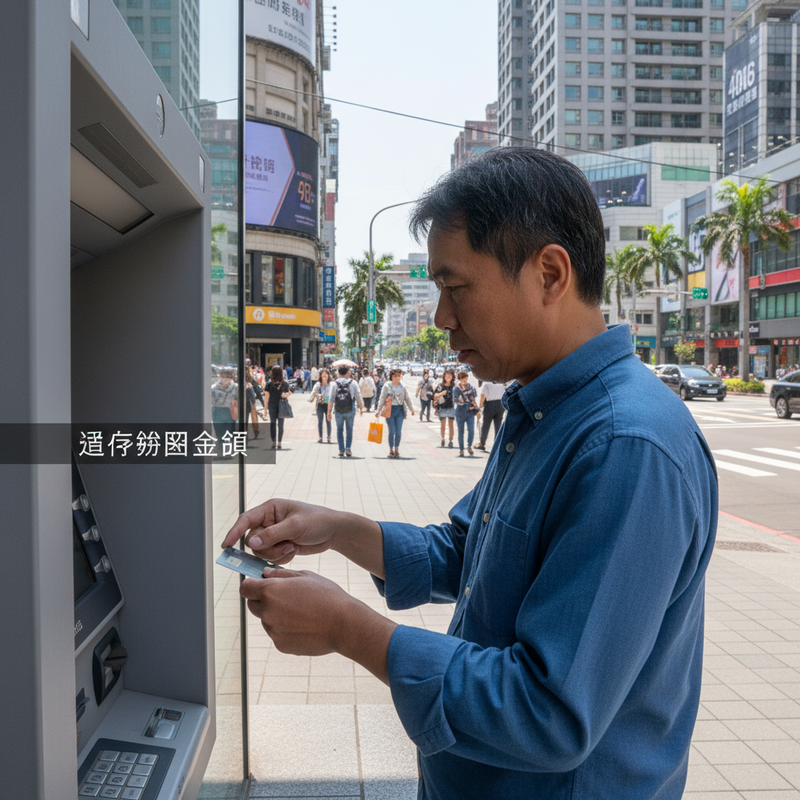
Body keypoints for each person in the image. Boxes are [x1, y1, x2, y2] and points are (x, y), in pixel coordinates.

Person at [222, 147, 718, 800]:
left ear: (549, 273)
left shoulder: (626, 446)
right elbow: (468, 550)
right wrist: (335, 528)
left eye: (456, 289)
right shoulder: (542, 408)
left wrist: (350, 629)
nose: (441, 319)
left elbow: (549, 712)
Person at [375, 368, 415, 458]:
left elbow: (407, 398)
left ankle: (396, 449)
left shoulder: (402, 387)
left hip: (399, 410)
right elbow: (381, 398)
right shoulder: (387, 386)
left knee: (398, 431)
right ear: (391, 377)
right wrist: (378, 411)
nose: (397, 378)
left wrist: (411, 408)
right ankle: (391, 450)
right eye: (395, 376)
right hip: (390, 410)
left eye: (398, 376)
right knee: (391, 430)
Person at [328, 365, 364, 457]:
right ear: (348, 372)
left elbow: (331, 399)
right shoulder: (353, 383)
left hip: (338, 409)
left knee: (339, 430)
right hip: (350, 409)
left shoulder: (334, 384)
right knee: (349, 429)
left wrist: (329, 412)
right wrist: (361, 408)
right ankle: (348, 449)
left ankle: (341, 450)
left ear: (338, 373)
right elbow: (358, 397)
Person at [452, 369, 479, 456]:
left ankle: (469, 446)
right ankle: (461, 449)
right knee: (461, 431)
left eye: (464, 377)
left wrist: (477, 410)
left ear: (467, 377)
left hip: (470, 411)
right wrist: (461, 398)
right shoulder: (456, 388)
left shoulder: (471, 388)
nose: (463, 379)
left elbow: (474, 399)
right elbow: (455, 400)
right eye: (461, 378)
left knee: (471, 430)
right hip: (460, 411)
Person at [265, 365, 291, 449]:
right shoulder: (284, 384)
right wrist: (284, 395)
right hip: (281, 405)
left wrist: (265, 410)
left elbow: (266, 398)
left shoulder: (269, 384)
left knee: (272, 423)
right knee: (281, 424)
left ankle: (274, 441)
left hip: (272, 405)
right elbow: (289, 393)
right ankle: (279, 442)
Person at [475, 380, 506, 451]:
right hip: (500, 405)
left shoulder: (486, 384)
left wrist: (480, 407)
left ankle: (482, 443)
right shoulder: (501, 383)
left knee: (486, 425)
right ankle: (497, 444)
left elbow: (483, 396)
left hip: (490, 405)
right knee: (498, 425)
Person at [211, 368, 238, 443]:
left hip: (230, 412)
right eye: (224, 377)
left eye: (228, 377)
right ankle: (221, 450)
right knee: (220, 435)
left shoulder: (235, 388)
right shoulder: (214, 388)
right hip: (218, 412)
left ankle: (228, 451)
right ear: (220, 377)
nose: (226, 379)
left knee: (230, 434)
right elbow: (211, 401)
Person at [433, 368, 456, 448]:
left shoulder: (454, 386)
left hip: (451, 407)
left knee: (451, 425)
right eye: (446, 375)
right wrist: (441, 393)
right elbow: (435, 395)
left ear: (453, 376)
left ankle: (450, 440)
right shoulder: (440, 386)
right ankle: (443, 439)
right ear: (444, 376)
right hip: (442, 407)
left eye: (450, 375)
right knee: (442, 425)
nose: (448, 376)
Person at [308, 369, 332, 444]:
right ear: (320, 376)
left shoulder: (331, 384)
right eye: (323, 374)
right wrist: (318, 396)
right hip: (320, 404)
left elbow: (334, 393)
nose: (324, 375)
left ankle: (329, 437)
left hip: (328, 405)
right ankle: (320, 437)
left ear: (328, 376)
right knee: (320, 421)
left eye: (326, 374)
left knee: (328, 420)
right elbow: (314, 392)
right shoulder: (318, 384)